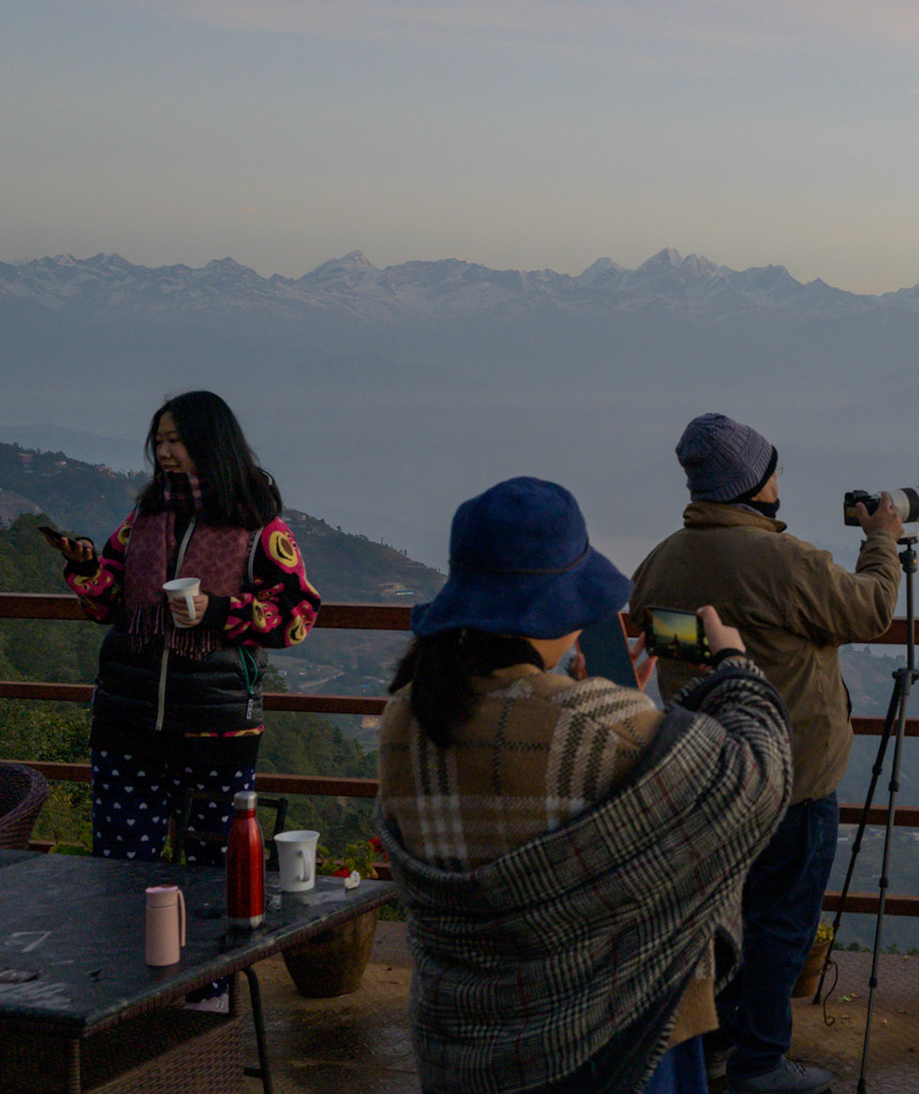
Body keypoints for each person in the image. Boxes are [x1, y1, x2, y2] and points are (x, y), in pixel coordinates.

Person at [377, 477, 792, 1094]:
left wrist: (596, 696)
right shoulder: (605, 728)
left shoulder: (405, 716)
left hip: (461, 1048)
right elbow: (758, 779)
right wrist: (734, 667)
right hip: (613, 1044)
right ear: (552, 607)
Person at [629, 414, 902, 1094]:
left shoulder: (662, 561)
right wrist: (882, 543)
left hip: (703, 776)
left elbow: (666, 639)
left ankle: (716, 1046)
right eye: (773, 469)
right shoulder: (789, 561)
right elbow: (871, 610)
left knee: (719, 922)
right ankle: (761, 1064)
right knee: (781, 924)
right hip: (792, 779)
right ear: (753, 483)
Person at [46, 391, 322, 868]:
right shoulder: (144, 519)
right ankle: (128, 948)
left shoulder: (259, 528)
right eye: (160, 441)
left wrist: (216, 611)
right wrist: (86, 566)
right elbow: (109, 604)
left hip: (216, 733)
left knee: (214, 875)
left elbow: (298, 615)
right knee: (119, 872)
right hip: (127, 727)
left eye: (177, 440)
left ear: (212, 445)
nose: (165, 452)